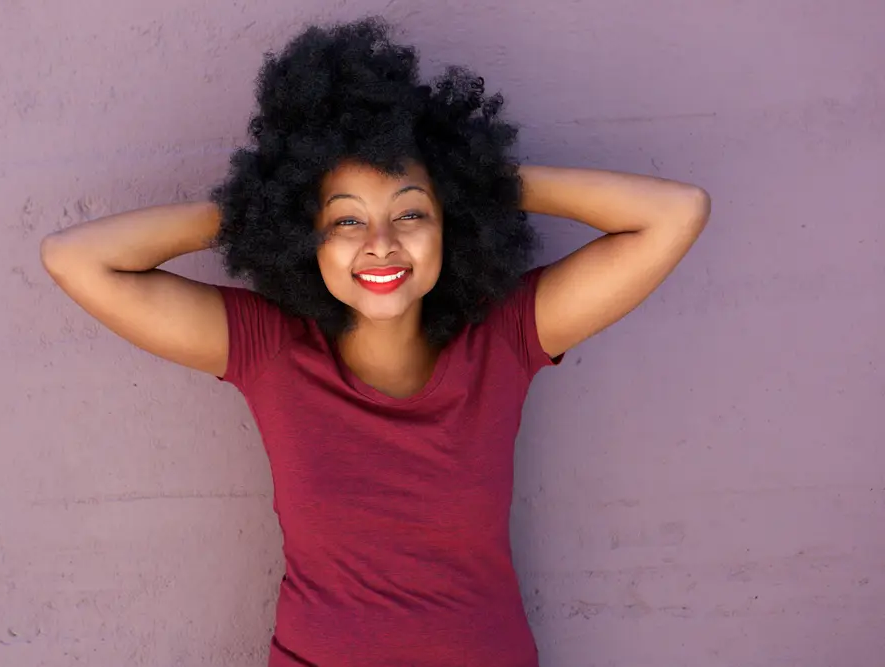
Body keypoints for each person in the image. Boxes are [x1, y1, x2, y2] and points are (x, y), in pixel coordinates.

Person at [40, 17, 710, 667]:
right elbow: (75, 258)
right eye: (345, 220)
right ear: (305, 231)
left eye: (412, 211)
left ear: (451, 221)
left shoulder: (503, 338)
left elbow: (675, 214)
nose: (380, 244)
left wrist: (474, 180)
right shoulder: (269, 349)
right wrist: (263, 202)